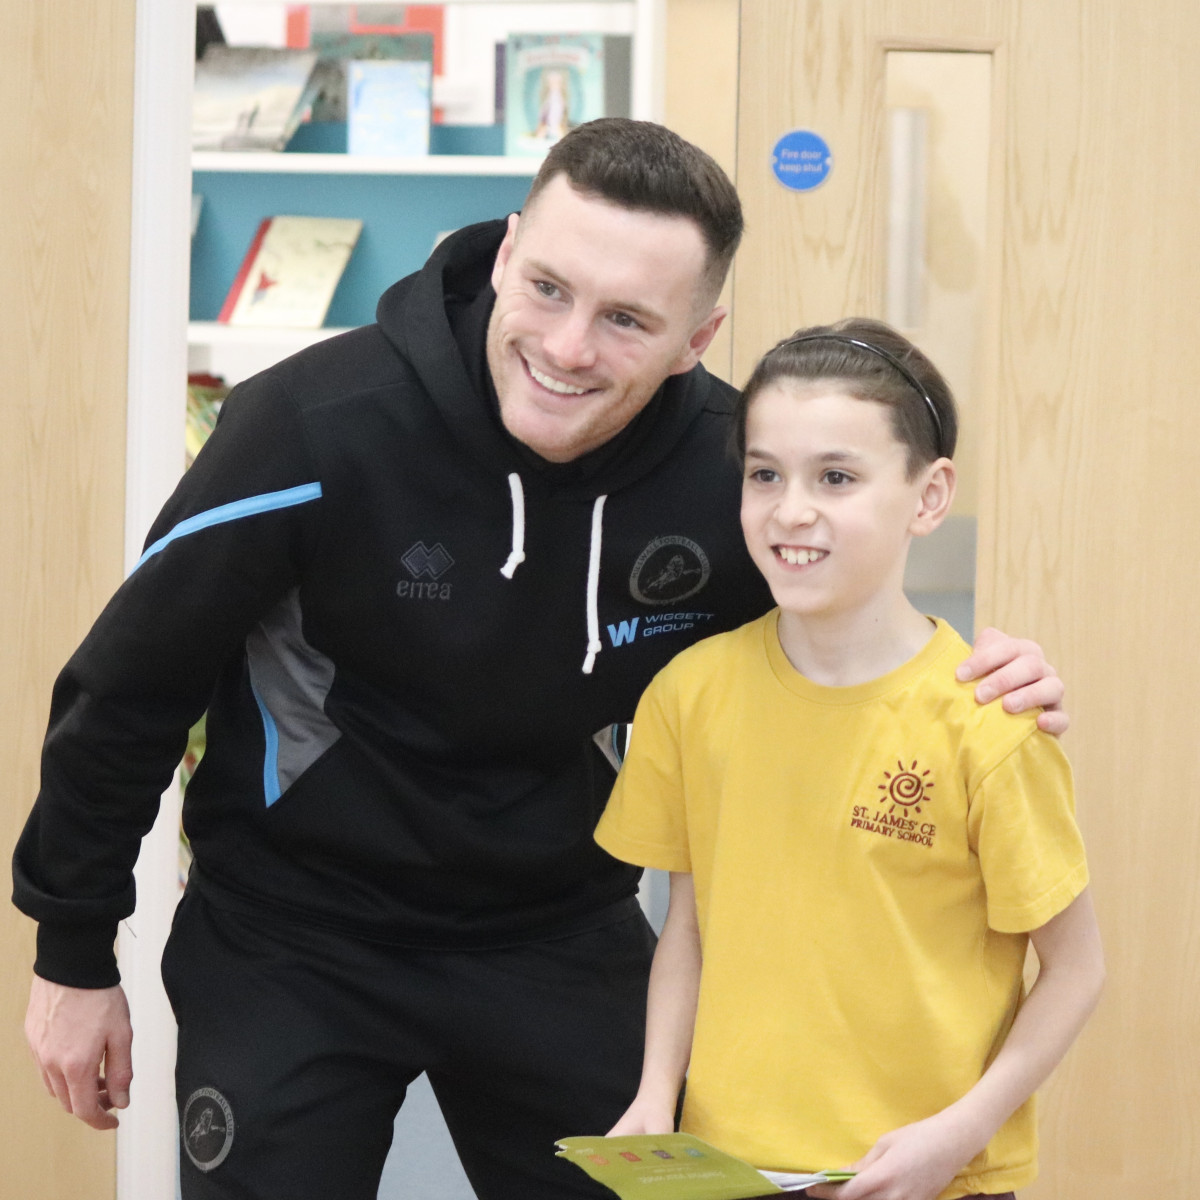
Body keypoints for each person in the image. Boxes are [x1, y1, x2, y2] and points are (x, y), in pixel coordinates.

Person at [14, 121, 1068, 1200]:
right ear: (508, 250)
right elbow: (131, 687)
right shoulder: (312, 425)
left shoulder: (727, 475)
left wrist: (978, 673)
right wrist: (73, 952)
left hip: (557, 930)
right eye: (551, 288)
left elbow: (835, 623)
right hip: (294, 934)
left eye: (626, 320)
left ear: (696, 338)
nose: (569, 347)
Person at [596, 319, 1105, 1200]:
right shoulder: (689, 693)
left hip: (929, 1176)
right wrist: (653, 1095)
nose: (792, 509)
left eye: (836, 476)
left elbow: (1076, 968)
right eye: (765, 475)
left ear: (928, 495)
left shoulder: (990, 723)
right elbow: (689, 926)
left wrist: (959, 1133)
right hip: (733, 1172)